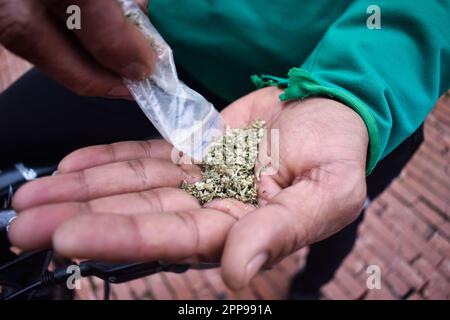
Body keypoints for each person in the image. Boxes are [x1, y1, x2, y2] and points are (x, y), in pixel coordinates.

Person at [1, 0, 449, 296]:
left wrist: (354, 90)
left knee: (336, 210)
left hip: (333, 91)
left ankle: (310, 286)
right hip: (159, 59)